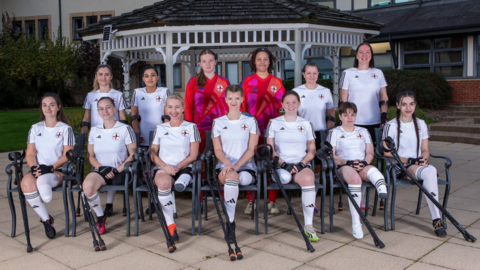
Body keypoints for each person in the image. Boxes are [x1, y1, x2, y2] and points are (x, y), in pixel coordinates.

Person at [383, 91, 446, 237]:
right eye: (404, 104)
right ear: (398, 105)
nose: (408, 107)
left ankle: (436, 218)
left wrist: (423, 158)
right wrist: (410, 160)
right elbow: (386, 152)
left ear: (415, 105)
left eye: (411, 104)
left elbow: (425, 150)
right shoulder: (391, 126)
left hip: (417, 166)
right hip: (400, 166)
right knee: (430, 173)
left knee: (430, 170)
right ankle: (437, 220)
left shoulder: (421, 124)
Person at [327, 101, 388, 239]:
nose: (349, 117)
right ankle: (356, 223)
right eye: (346, 115)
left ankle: (381, 187)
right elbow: (331, 155)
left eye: (353, 115)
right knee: (354, 179)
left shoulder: (364, 131)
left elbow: (370, 152)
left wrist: (364, 162)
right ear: (340, 116)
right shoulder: (334, 132)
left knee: (372, 170)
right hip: (344, 166)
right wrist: (347, 162)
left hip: (361, 164)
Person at [339, 42, 389, 209]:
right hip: (354, 122)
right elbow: (343, 101)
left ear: (371, 55)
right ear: (356, 55)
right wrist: (345, 119)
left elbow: (384, 96)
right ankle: (357, 196)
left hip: (374, 122)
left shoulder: (378, 73)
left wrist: (384, 114)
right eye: (361, 52)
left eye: (368, 52)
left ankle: (379, 196)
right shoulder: (348, 73)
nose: (364, 55)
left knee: (371, 158)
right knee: (354, 158)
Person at [266, 91, 319, 242]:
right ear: (282, 104)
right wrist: (284, 164)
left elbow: (312, 149)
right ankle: (285, 174)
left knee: (309, 179)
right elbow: (271, 149)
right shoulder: (274, 123)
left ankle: (308, 225)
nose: (290, 105)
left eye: (294, 102)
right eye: (287, 102)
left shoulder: (306, 123)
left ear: (299, 104)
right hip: (282, 166)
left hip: (301, 165)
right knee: (284, 177)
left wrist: (302, 163)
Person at [22, 93, 75, 239]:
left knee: (42, 183)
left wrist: (50, 167)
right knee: (26, 183)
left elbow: (68, 154)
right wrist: (34, 168)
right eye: (45, 105)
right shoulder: (35, 128)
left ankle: (44, 186)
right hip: (38, 170)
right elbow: (30, 153)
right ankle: (46, 219)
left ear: (58, 107)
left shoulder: (65, 129)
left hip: (57, 170)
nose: (48, 108)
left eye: (52, 104)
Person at [212, 85, 260, 243]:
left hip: (246, 169)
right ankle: (230, 223)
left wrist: (236, 166)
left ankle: (230, 222)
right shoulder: (218, 122)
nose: (233, 101)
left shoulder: (250, 121)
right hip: (223, 168)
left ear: (242, 99)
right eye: (230, 98)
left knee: (234, 176)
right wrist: (227, 163)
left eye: (237, 98)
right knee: (231, 177)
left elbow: (252, 150)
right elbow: (218, 150)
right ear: (225, 100)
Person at [150, 93, 200, 242]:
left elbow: (193, 155)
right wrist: (165, 166)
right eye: (170, 107)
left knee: (182, 178)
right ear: (165, 109)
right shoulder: (160, 128)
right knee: (164, 184)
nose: (174, 111)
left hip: (184, 167)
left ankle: (183, 181)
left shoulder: (191, 127)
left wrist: (177, 167)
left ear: (183, 108)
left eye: (177, 107)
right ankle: (170, 225)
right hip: (164, 168)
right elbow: (152, 154)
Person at [241, 47, 285, 216]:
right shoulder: (247, 82)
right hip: (252, 133)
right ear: (254, 62)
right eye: (259, 59)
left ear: (270, 62)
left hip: (272, 134)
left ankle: (271, 202)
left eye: (265, 59)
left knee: (270, 166)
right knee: (250, 164)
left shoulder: (277, 82)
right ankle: (251, 201)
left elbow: (282, 108)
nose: (262, 62)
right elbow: (242, 108)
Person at [83, 97, 137, 235]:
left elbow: (132, 155)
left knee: (113, 179)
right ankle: (100, 216)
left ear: (114, 108)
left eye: (108, 107)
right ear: (98, 111)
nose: (105, 111)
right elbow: (91, 156)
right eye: (101, 108)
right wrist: (101, 168)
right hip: (101, 170)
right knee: (87, 187)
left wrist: (116, 169)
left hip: (122, 171)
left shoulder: (125, 129)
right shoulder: (94, 131)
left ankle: (108, 205)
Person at [81, 64, 128, 216]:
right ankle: (94, 200)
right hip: (97, 136)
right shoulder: (90, 96)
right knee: (99, 168)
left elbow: (122, 117)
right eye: (100, 74)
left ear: (111, 76)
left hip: (114, 134)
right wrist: (83, 135)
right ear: (96, 76)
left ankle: (109, 203)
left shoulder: (118, 95)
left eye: (107, 74)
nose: (103, 77)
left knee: (112, 165)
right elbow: (87, 117)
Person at [185, 49, 229, 153]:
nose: (207, 64)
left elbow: (230, 106)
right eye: (204, 61)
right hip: (200, 130)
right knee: (202, 163)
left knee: (220, 162)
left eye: (210, 60)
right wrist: (190, 129)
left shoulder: (224, 82)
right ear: (200, 63)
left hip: (221, 128)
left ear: (215, 61)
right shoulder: (193, 82)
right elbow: (188, 106)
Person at [131, 65, 170, 146]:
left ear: (157, 77)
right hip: (143, 135)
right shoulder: (137, 92)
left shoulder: (164, 91)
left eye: (153, 75)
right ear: (143, 78)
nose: (150, 78)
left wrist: (164, 133)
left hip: (160, 134)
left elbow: (167, 116)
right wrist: (138, 135)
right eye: (146, 76)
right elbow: (134, 116)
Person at [292, 62, 335, 132]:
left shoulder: (326, 91)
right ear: (304, 74)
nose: (312, 76)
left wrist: (328, 131)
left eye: (314, 73)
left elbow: (331, 114)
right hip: (302, 133)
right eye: (309, 73)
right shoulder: (296, 92)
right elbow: (292, 114)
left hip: (321, 133)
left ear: (318, 74)